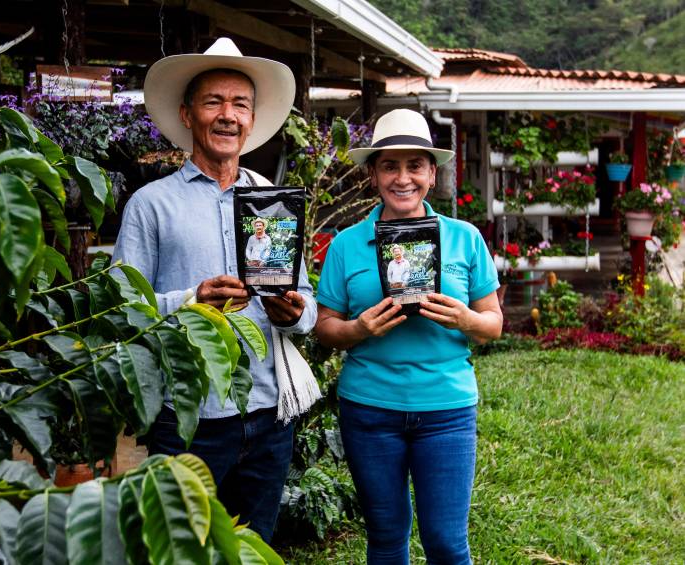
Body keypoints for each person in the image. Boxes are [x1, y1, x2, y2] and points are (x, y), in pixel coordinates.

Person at [112, 37, 316, 542]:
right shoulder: (150, 205)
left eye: (240, 104)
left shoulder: (273, 203)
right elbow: (118, 309)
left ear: (251, 119)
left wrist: (293, 313)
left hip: (269, 417)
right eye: (214, 102)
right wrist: (191, 300)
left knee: (254, 547)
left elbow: (308, 305)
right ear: (187, 114)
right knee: (180, 549)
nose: (228, 115)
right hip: (188, 419)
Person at [314, 108, 503, 564]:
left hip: (447, 411)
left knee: (447, 543)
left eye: (414, 165)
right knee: (384, 538)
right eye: (389, 166)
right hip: (370, 410)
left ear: (432, 174)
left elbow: (493, 324)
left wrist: (465, 319)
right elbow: (324, 327)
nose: (403, 178)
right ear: (373, 175)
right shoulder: (346, 244)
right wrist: (357, 329)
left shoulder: (464, 238)